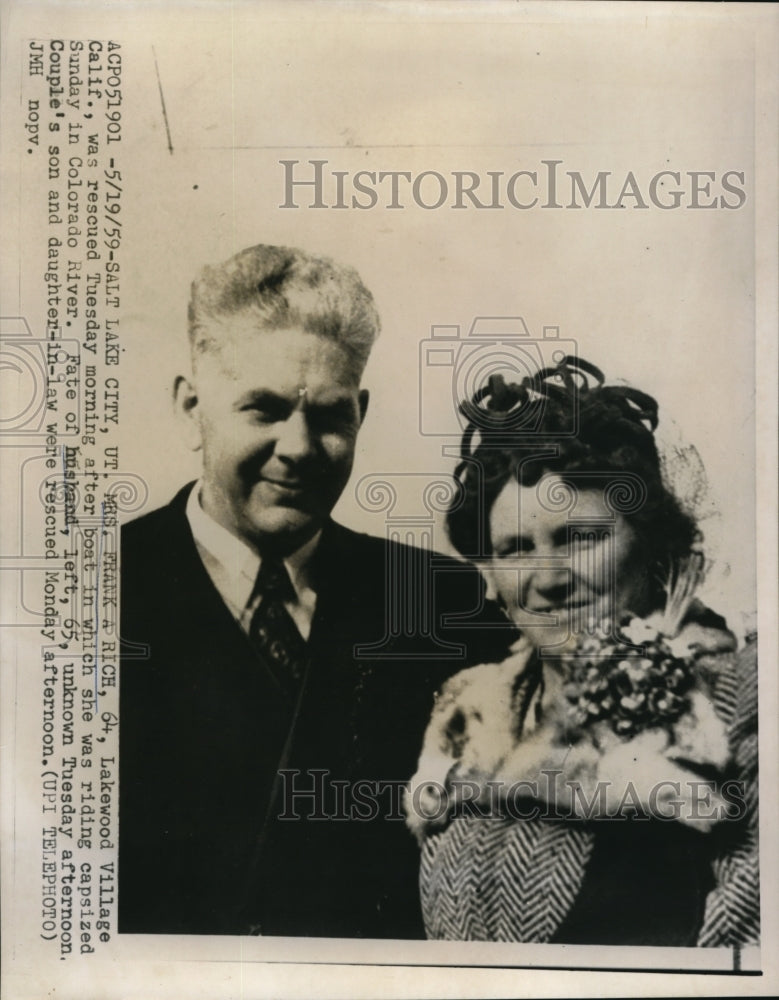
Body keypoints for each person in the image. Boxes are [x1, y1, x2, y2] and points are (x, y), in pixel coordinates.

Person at [118, 244, 514, 938]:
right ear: (190, 407)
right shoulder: (85, 595)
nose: (299, 447)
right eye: (264, 409)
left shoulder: (438, 600)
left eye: (330, 416)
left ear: (360, 413)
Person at [405, 358, 759, 946]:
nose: (548, 579)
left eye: (581, 538)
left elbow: (742, 955)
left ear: (652, 548)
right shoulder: (464, 717)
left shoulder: (736, 703)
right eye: (516, 549)